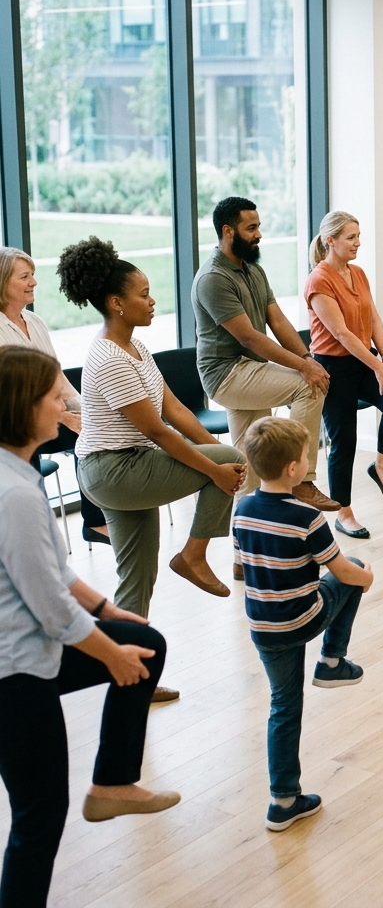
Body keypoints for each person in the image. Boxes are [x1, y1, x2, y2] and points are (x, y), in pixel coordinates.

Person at [0, 346, 178, 908]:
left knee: (145, 642)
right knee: (39, 817)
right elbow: (52, 609)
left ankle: (111, 784)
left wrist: (108, 611)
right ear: (22, 407)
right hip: (13, 672)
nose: (66, 406)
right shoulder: (14, 496)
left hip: (32, 649)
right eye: (56, 397)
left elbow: (57, 568)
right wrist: (109, 655)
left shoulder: (17, 471)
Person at [58, 238, 248, 627]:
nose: (152, 301)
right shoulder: (110, 357)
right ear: (116, 303)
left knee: (137, 576)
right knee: (232, 459)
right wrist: (216, 466)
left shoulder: (136, 347)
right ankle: (193, 556)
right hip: (114, 470)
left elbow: (174, 409)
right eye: (143, 294)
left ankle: (133, 676)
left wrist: (212, 446)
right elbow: (158, 431)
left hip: (123, 465)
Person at [234, 416, 374, 831]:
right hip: (303, 618)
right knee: (356, 565)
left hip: (263, 626)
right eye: (306, 457)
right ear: (294, 469)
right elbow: (342, 572)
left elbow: (242, 566)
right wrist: (366, 577)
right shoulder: (307, 517)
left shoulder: (241, 510)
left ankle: (283, 800)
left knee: (283, 706)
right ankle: (332, 660)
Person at [191, 196, 337, 510]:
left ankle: (242, 555)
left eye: (258, 227)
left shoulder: (253, 270)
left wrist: (308, 360)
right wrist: (304, 369)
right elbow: (250, 338)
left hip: (249, 369)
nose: (259, 234)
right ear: (228, 231)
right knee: (307, 387)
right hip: (227, 374)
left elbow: (279, 321)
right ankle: (302, 480)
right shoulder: (213, 278)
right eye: (251, 228)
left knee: (247, 468)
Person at [305, 211, 383, 540]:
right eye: (351, 237)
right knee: (344, 441)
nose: (358, 242)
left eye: (358, 235)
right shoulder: (319, 280)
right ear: (330, 241)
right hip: (332, 367)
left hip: (364, 360)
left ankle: (381, 467)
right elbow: (341, 334)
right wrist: (378, 366)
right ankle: (343, 513)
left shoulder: (358, 273)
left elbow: (373, 319)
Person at [0, 246, 109, 545]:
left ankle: (95, 522)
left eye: (32, 274)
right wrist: (64, 416)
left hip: (45, 415)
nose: (33, 282)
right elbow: (14, 395)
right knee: (26, 448)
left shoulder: (35, 323)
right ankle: (35, 535)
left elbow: (56, 377)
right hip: (11, 424)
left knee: (90, 434)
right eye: (24, 276)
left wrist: (86, 409)